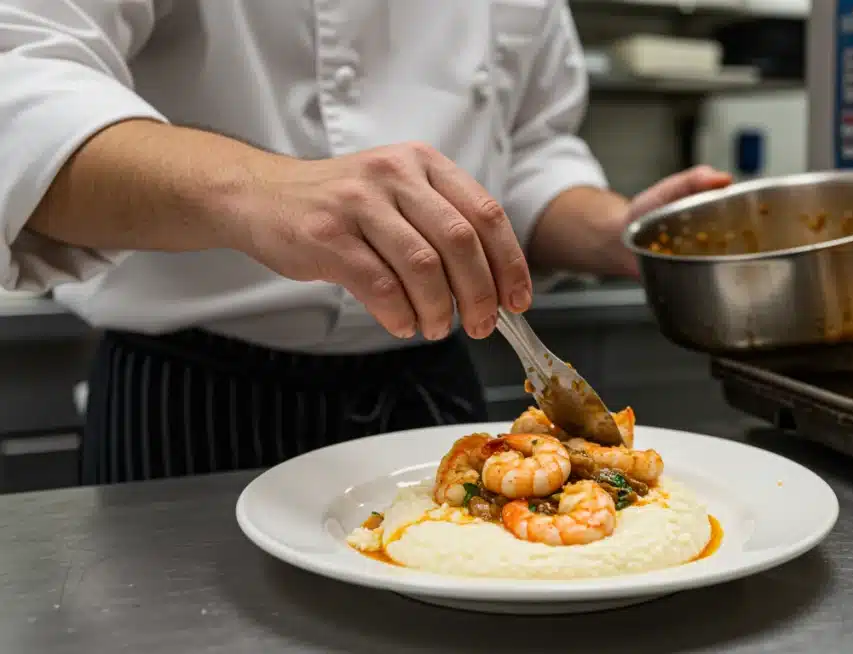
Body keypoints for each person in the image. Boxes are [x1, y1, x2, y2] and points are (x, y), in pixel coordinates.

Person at [0, 1, 732, 485]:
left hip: (434, 388)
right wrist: (263, 189)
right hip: (189, 403)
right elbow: (21, 81)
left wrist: (622, 233)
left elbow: (529, 152)